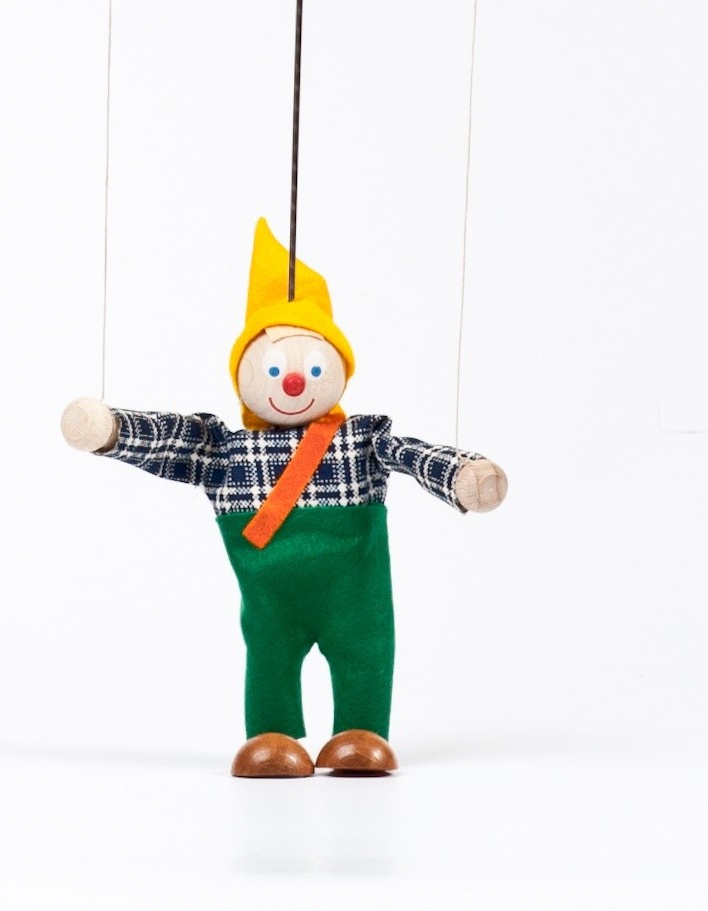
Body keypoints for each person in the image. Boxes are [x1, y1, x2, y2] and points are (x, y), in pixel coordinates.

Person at [61, 219, 507, 777]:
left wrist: (461, 474)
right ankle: (270, 736)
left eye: (312, 368)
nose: (294, 382)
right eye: (274, 368)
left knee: (365, 650)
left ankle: (362, 731)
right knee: (270, 655)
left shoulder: (360, 439)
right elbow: (175, 439)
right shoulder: (229, 452)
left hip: (354, 593)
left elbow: (410, 454)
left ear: (338, 369)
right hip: (272, 600)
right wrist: (111, 429)